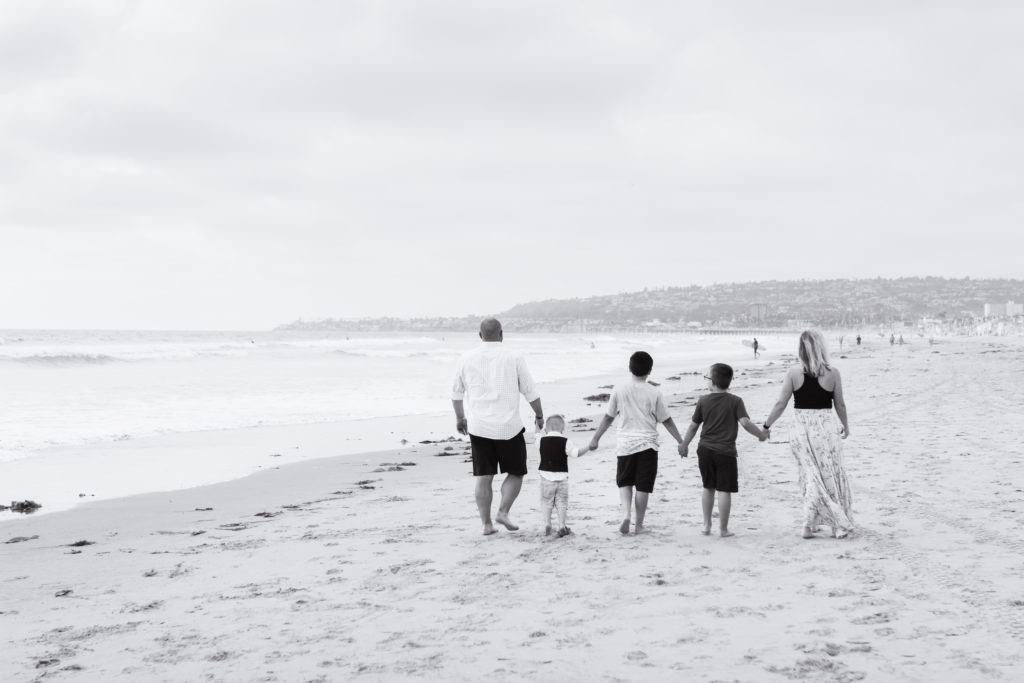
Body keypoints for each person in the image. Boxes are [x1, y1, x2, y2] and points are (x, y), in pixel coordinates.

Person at [452, 318, 544, 535]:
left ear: (480, 335)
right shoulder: (514, 357)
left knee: (483, 476)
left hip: (479, 427)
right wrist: (539, 415)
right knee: (516, 472)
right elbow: (529, 390)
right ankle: (503, 511)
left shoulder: (465, 358)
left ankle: (486, 525)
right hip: (509, 427)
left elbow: (456, 393)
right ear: (502, 334)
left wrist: (460, 418)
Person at [763, 330, 854, 539]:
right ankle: (830, 524)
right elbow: (839, 403)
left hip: (801, 429)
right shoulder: (833, 373)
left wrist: (766, 426)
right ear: (821, 347)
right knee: (828, 475)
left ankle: (808, 524)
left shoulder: (794, 373)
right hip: (826, 429)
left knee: (810, 475)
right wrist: (846, 426)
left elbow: (780, 403)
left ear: (801, 349)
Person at [589, 351, 686, 535]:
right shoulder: (654, 392)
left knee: (624, 481)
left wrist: (596, 438)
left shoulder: (619, 389)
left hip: (625, 444)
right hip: (647, 445)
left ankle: (626, 514)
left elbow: (609, 417)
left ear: (629, 368)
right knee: (643, 485)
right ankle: (639, 525)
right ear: (650, 370)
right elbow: (666, 420)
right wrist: (681, 441)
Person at [679, 363, 768, 537]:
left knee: (708, 487)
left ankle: (706, 525)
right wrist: (761, 435)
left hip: (705, 450)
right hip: (725, 452)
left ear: (712, 382)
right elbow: (745, 423)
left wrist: (684, 444)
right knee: (724, 490)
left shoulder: (703, 401)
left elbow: (693, 426)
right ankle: (723, 529)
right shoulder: (735, 401)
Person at [537, 415, 590, 537]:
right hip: (562, 478)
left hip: (546, 478)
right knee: (562, 502)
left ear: (546, 429)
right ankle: (561, 525)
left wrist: (537, 424)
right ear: (562, 430)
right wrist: (588, 447)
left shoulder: (541, 440)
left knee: (546, 501)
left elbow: (536, 434)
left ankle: (547, 523)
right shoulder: (566, 441)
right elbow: (576, 453)